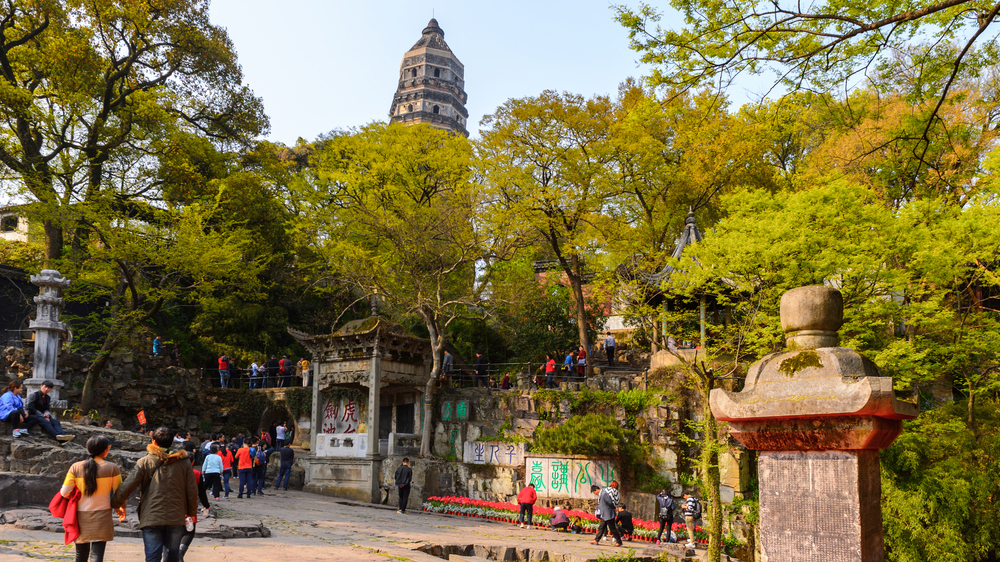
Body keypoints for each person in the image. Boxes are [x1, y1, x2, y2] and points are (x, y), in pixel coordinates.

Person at [112, 427, 198, 562]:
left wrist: (116, 503)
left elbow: (128, 485)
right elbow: (192, 490)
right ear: (171, 442)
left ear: (154, 442)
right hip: (176, 516)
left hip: (151, 516)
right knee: (171, 556)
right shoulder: (184, 462)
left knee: (152, 557)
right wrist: (191, 512)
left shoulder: (145, 462)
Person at [61, 435, 125, 562]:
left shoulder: (75, 467)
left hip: (80, 517)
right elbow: (119, 493)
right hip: (103, 516)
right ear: (105, 450)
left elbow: (64, 492)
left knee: (81, 555)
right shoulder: (112, 468)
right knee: (97, 556)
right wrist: (121, 509)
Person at [177, 457, 211, 562]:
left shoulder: (175, 473)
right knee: (189, 531)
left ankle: (175, 551)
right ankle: (181, 551)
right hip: (190, 507)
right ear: (192, 462)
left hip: (175, 505)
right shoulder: (197, 474)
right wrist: (206, 505)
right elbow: (202, 492)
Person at [591, 481, 622, 547]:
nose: (595, 494)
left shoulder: (604, 493)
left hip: (608, 513)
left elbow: (609, 502)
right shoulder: (602, 493)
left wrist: (613, 508)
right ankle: (596, 540)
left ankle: (619, 541)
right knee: (601, 527)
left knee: (612, 528)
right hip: (604, 514)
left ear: (596, 490)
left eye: (594, 492)